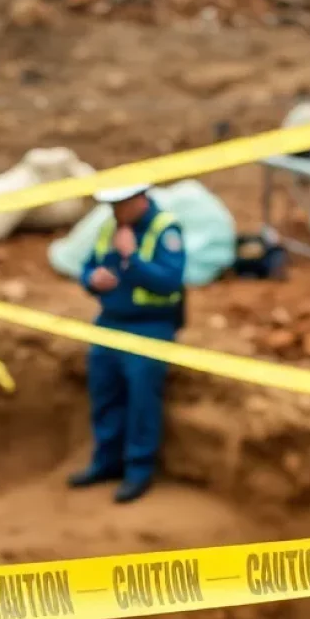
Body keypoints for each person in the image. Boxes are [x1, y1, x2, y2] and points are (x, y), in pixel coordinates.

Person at [68, 184, 186, 503]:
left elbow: (170, 280)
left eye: (119, 205)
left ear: (139, 200)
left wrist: (131, 259)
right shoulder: (111, 227)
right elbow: (89, 266)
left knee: (141, 398)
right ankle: (106, 463)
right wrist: (91, 280)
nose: (114, 212)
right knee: (105, 393)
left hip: (150, 326)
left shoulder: (165, 229)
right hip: (110, 322)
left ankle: (138, 471)